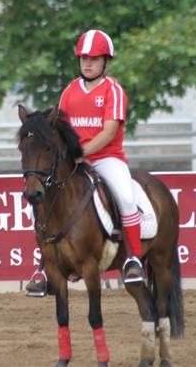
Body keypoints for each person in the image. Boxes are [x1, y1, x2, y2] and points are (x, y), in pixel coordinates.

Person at [26, 29, 143, 296]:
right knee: (40, 203)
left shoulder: (113, 91)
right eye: (83, 58)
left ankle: (134, 259)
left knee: (125, 197)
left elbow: (109, 132)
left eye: (94, 58)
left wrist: (82, 152)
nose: (88, 63)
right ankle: (43, 268)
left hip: (107, 159)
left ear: (105, 61)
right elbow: (60, 129)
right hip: (73, 162)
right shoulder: (69, 91)